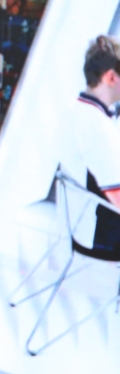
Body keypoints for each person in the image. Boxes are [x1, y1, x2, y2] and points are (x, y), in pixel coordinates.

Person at [60, 35, 120, 256]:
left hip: (82, 222)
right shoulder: (97, 125)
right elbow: (117, 195)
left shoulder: (77, 109)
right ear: (111, 77)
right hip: (100, 234)